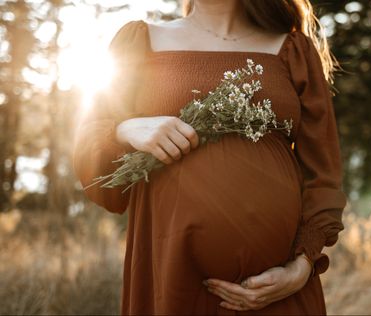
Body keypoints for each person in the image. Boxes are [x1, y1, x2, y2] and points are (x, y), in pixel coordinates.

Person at [72, 0, 347, 314]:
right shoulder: (141, 40)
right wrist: (125, 129)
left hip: (279, 293)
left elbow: (323, 175)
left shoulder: (293, 49)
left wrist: (302, 267)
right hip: (174, 280)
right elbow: (87, 150)